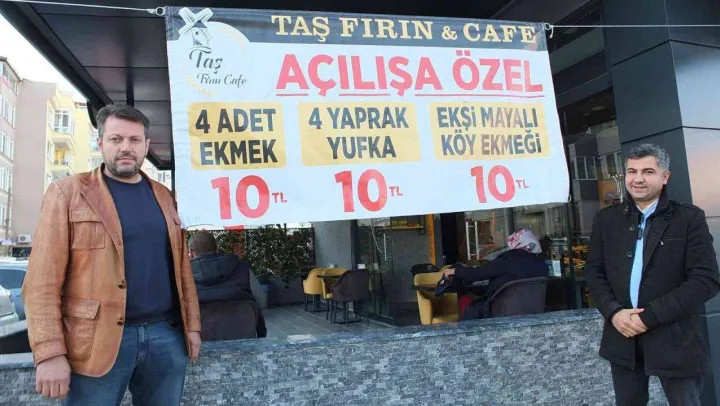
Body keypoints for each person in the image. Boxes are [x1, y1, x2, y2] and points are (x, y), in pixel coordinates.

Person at [21, 105, 201, 404]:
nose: (125, 147)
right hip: (94, 342)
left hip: (166, 337)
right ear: (100, 143)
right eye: (116, 139)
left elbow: (183, 270)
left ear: (146, 145)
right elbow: (41, 281)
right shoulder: (67, 193)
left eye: (134, 140)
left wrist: (192, 326)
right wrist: (49, 352)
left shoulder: (165, 197)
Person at [585, 143, 720, 406]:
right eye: (631, 171)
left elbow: (705, 280)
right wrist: (614, 312)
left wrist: (649, 317)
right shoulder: (606, 219)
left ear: (665, 177)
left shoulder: (688, 218)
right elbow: (594, 271)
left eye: (647, 171)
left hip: (675, 338)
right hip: (623, 336)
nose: (638, 179)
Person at [442, 229, 549, 320]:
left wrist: (456, 271)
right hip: (533, 312)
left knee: (465, 301)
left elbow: (481, 273)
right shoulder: (542, 265)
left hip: (501, 312)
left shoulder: (509, 259)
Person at [188, 232, 267, 338]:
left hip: (202, 340)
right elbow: (261, 300)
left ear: (191, 253)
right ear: (217, 249)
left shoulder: (184, 277)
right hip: (244, 335)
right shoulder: (242, 268)